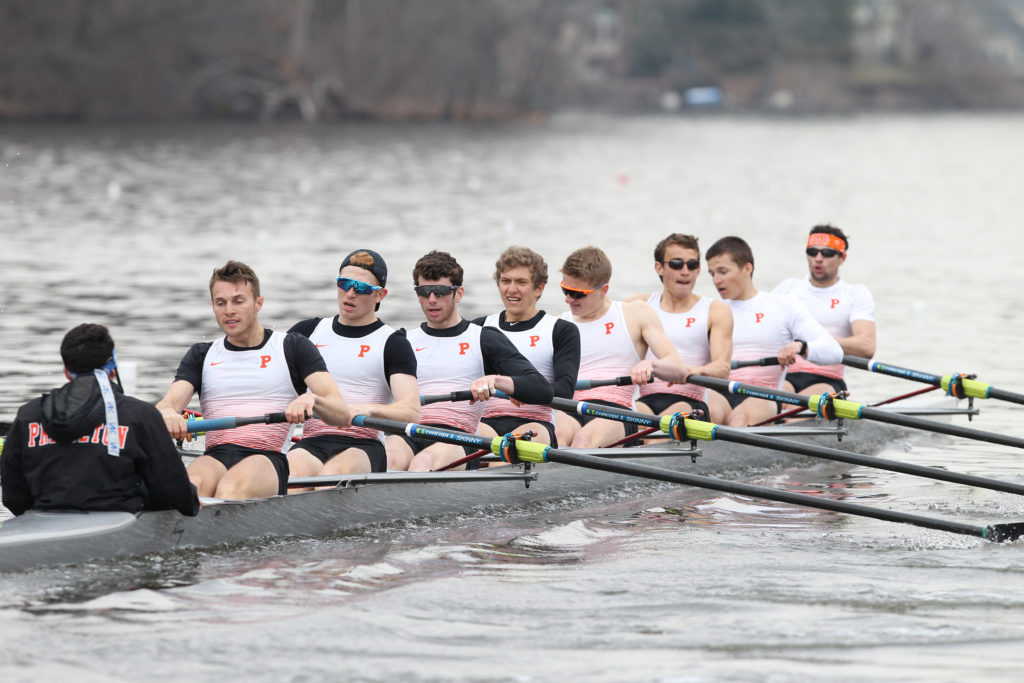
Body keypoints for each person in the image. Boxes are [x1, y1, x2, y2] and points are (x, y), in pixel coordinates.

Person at [156, 260, 351, 500]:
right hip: (215, 456)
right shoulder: (202, 354)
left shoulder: (292, 347)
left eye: (238, 301)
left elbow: (341, 414)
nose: (229, 310)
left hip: (266, 459)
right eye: (221, 303)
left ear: (258, 303)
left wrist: (312, 400)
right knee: (188, 489)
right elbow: (168, 403)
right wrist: (167, 414)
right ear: (213, 306)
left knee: (230, 489)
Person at [1, 324, 200, 517]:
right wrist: (189, 501)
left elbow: (13, 496)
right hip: (117, 518)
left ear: (66, 370)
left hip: (41, 518)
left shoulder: (28, 414)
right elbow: (176, 495)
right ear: (112, 368)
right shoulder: (140, 415)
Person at [385, 250, 554, 472]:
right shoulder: (401, 340)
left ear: (459, 293)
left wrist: (495, 380)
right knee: (388, 459)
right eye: (424, 291)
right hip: (408, 433)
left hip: (458, 440)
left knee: (423, 463)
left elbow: (542, 390)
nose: (432, 299)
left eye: (441, 291)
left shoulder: (483, 338)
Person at [287, 249, 419, 480]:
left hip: (364, 445)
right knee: (290, 475)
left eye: (361, 288)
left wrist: (368, 409)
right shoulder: (306, 332)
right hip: (311, 442)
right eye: (344, 283)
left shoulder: (393, 343)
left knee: (329, 477)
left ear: (380, 295)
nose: (349, 293)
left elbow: (411, 412)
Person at [557, 246, 688, 449]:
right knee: (556, 435)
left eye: (577, 294)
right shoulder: (559, 324)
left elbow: (678, 367)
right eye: (565, 290)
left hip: (618, 411)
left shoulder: (634, 313)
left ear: (603, 290)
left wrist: (650, 364)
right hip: (569, 408)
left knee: (584, 441)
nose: (568, 299)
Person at [705, 236, 843, 427]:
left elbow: (834, 350)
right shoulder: (710, 310)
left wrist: (800, 346)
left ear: (747, 268)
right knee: (700, 412)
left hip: (761, 394)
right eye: (712, 274)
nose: (716, 280)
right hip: (720, 391)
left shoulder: (782, 305)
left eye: (723, 272)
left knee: (739, 420)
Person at [473, 246, 581, 446]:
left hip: (536, 423)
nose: (511, 289)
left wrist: (522, 389)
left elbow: (565, 390)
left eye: (521, 282)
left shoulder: (561, 330)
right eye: (505, 281)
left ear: (539, 288)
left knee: (505, 451)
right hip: (486, 422)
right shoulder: (479, 327)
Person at [627, 233, 733, 423]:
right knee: (632, 421)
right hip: (645, 401)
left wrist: (694, 371)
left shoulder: (715, 310)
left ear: (698, 269)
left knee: (662, 425)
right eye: (677, 264)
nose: (685, 271)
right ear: (659, 267)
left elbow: (722, 369)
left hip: (691, 403)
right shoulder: (638, 305)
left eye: (692, 265)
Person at [773, 224, 876, 396]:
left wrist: (809, 346)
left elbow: (866, 347)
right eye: (812, 252)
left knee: (794, 409)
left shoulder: (855, 294)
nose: (818, 258)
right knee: (778, 399)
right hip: (785, 374)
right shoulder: (788, 288)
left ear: (842, 258)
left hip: (827, 378)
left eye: (827, 253)